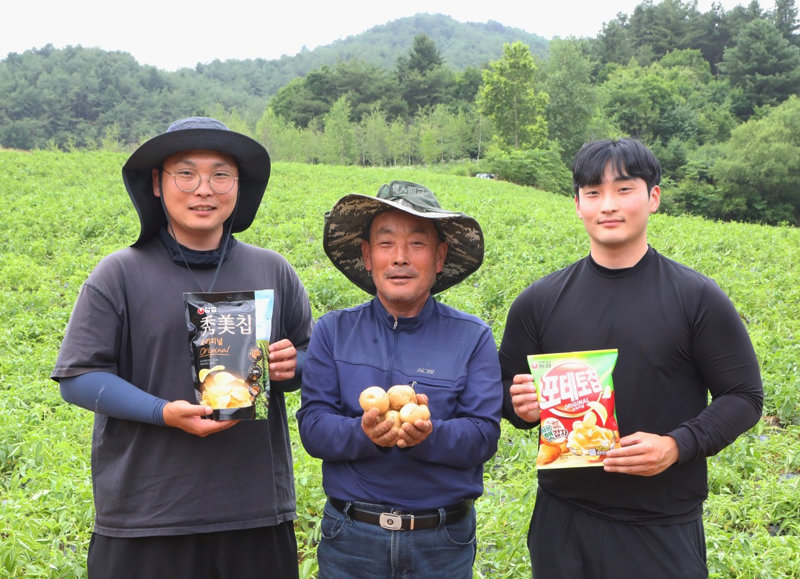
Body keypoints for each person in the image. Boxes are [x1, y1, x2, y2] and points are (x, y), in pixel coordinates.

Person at [51, 117, 314, 578]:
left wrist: (294, 366)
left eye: (220, 175)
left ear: (238, 186)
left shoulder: (273, 271)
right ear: (157, 183)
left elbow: (311, 363)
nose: (203, 190)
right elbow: (78, 378)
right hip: (145, 516)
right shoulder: (120, 274)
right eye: (186, 173)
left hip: (253, 512)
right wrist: (162, 412)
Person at [499, 138, 763, 578]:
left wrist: (677, 445)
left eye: (624, 190)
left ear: (653, 197)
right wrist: (521, 407)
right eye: (593, 192)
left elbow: (744, 396)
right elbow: (508, 396)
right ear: (578, 204)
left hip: (661, 523)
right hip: (563, 521)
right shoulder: (538, 302)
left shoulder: (696, 297)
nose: (608, 205)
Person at [296, 181, 502, 578]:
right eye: (386, 244)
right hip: (351, 537)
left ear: (440, 257)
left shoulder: (472, 336)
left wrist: (428, 435)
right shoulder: (333, 331)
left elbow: (483, 435)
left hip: (442, 542)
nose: (401, 258)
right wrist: (365, 433)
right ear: (367, 256)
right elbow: (314, 427)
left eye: (417, 244)